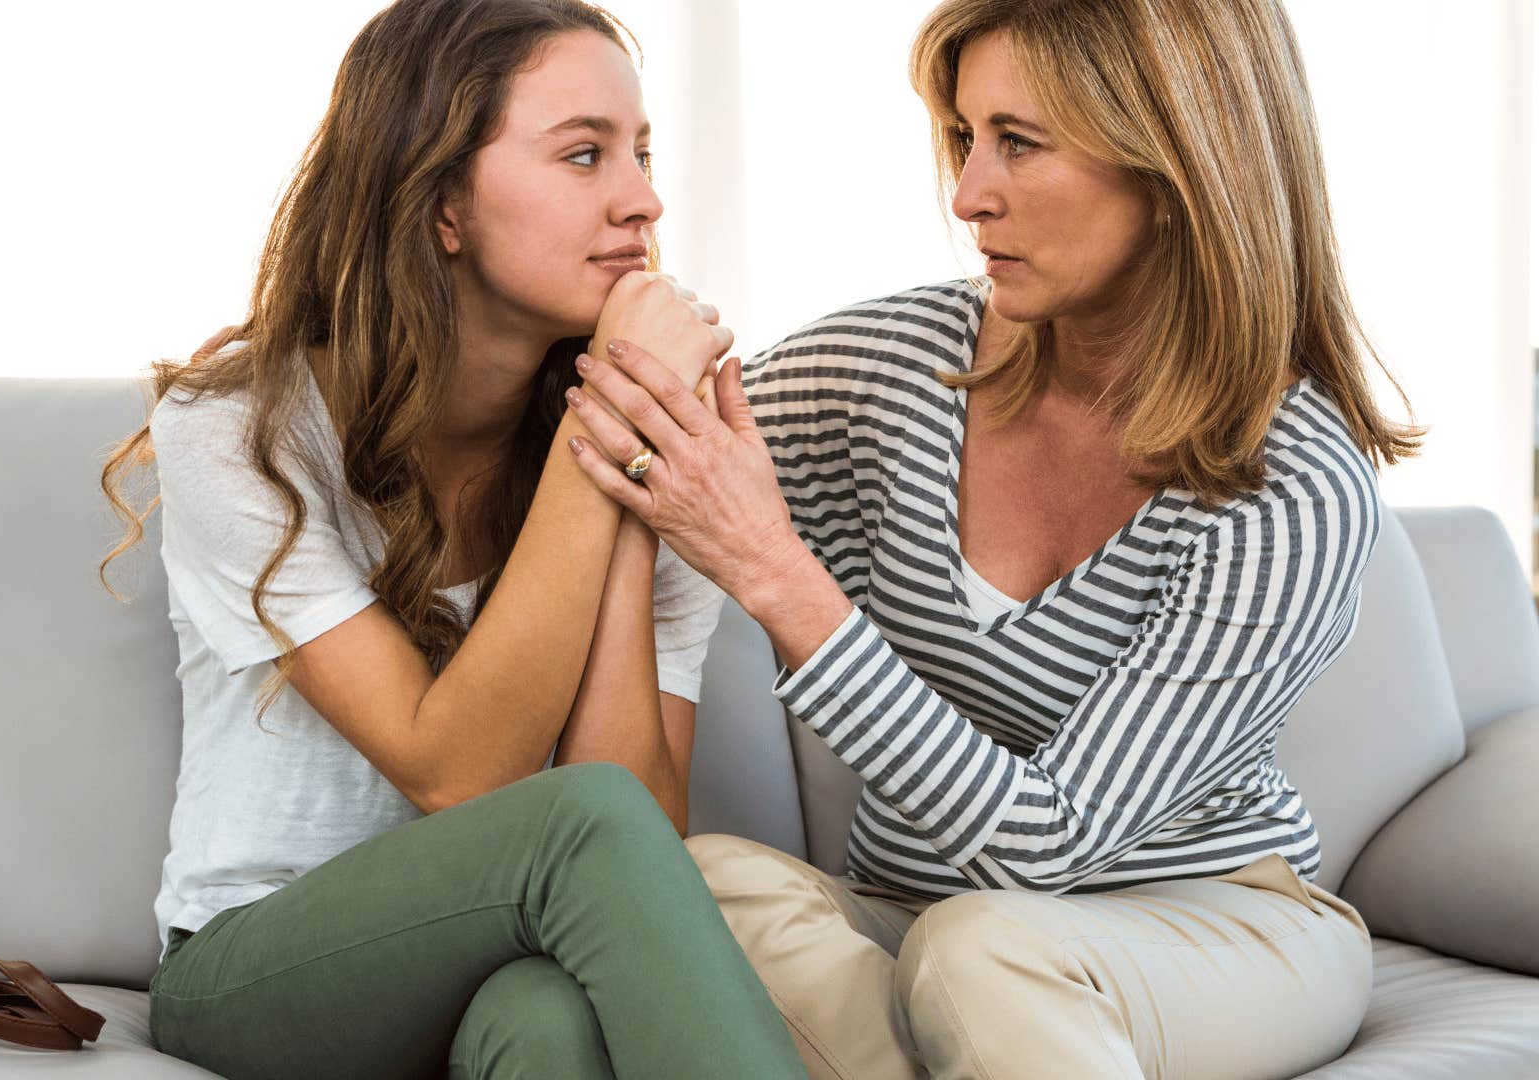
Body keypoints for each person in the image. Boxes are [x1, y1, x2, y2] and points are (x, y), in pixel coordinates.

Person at [561, 0, 1420, 1077]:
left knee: (984, 952)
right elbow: (644, 433)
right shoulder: (896, 369)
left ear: (1173, 167)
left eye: (1019, 142)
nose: (969, 195)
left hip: (1216, 928)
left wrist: (775, 574)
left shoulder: (1293, 480)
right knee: (697, 886)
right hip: (914, 914)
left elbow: (1048, 846)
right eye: (966, 139)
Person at [97, 1, 805, 1077]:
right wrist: (598, 434)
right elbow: (460, 776)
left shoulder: (643, 434)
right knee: (578, 827)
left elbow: (642, 828)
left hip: (500, 962)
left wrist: (624, 476)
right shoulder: (238, 431)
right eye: (584, 154)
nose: (645, 199)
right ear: (442, 207)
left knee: (552, 1026)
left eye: (644, 152)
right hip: (255, 971)